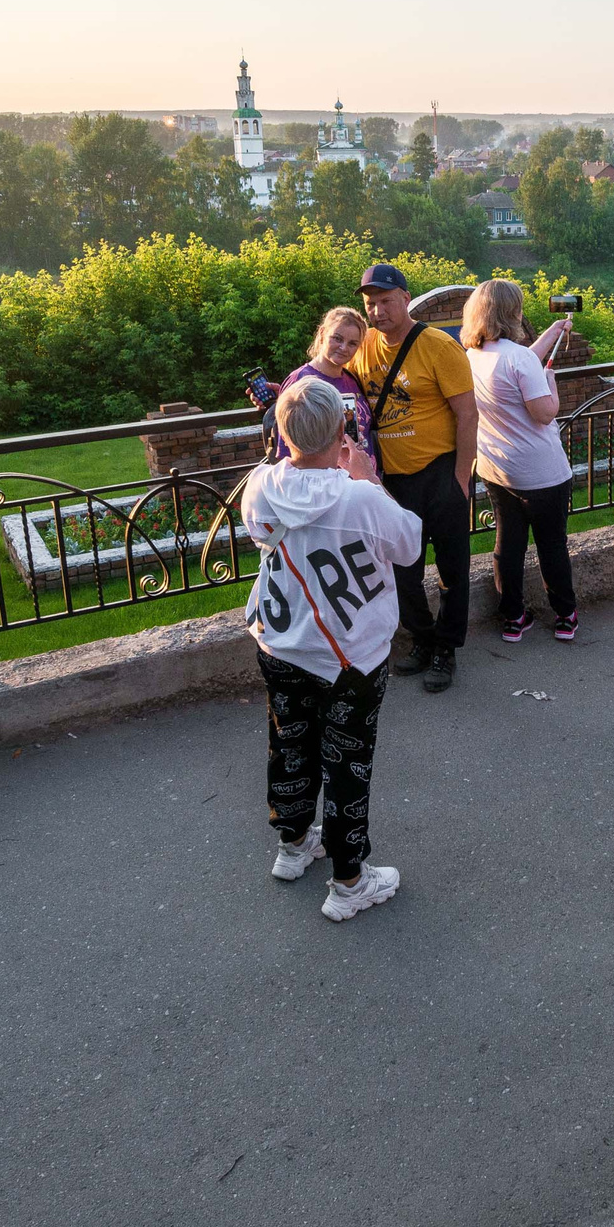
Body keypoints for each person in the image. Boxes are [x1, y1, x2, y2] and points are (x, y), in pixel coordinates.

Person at [240, 377, 420, 922]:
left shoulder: (259, 485)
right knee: (347, 764)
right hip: (349, 659)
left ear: (282, 432)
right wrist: (366, 478)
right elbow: (409, 546)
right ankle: (349, 881)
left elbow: (260, 532)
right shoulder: (359, 496)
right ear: (344, 432)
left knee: (289, 742)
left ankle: (293, 844)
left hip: (279, 642)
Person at [348, 263, 479, 693]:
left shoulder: (439, 346)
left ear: (405, 298)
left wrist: (462, 478)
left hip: (441, 472)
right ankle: (422, 639)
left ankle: (447, 649)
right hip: (392, 479)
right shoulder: (362, 347)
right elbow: (323, 374)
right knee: (403, 569)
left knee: (452, 568)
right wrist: (280, 392)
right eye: (370, 304)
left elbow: (467, 413)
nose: (378, 311)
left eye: (386, 301)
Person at [459, 280, 578, 644]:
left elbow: (519, 361)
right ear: (513, 312)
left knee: (508, 544)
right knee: (552, 543)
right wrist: (551, 382)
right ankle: (565, 616)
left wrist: (552, 333)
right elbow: (544, 413)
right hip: (541, 473)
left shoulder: (471, 357)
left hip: (497, 468)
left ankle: (512, 618)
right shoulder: (522, 360)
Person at [273, 306, 373, 460]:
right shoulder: (301, 381)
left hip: (363, 477)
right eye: (337, 338)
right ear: (322, 334)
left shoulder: (351, 378)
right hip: (328, 481)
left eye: (352, 343)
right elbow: (288, 452)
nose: (343, 348)